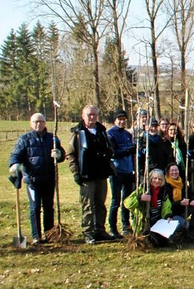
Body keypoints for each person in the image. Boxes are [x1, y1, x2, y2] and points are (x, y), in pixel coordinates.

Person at [8, 113, 66, 245]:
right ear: (31, 123)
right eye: (35, 122)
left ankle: (49, 234)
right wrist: (14, 164)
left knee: (48, 207)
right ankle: (36, 236)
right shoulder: (24, 139)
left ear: (45, 123)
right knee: (34, 208)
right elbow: (16, 154)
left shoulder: (52, 138)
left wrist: (59, 154)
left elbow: (62, 154)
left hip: (49, 179)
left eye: (40, 121)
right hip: (33, 181)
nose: (38, 124)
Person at [66, 105, 116, 244]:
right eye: (89, 115)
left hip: (101, 174)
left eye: (95, 114)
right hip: (86, 175)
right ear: (83, 116)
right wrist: (76, 172)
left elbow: (109, 147)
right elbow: (70, 154)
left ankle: (100, 230)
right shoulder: (78, 133)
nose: (92, 117)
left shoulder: (101, 131)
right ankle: (88, 232)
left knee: (100, 204)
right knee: (88, 205)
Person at [124, 169, 175, 247]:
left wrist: (167, 216)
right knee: (152, 241)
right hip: (144, 224)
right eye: (155, 178)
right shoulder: (142, 190)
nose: (157, 181)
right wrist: (139, 198)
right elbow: (127, 203)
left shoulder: (163, 192)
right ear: (150, 179)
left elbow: (166, 206)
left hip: (157, 223)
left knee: (163, 243)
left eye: (160, 179)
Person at [107, 109, 136, 238]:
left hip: (128, 171)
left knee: (127, 200)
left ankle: (126, 225)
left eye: (124, 119)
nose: (122, 121)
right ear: (115, 120)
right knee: (115, 200)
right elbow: (112, 153)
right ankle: (112, 227)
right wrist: (127, 151)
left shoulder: (128, 134)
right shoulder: (110, 134)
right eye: (120, 119)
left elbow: (133, 153)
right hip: (117, 171)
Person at [164, 162, 194, 231]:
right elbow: (166, 205)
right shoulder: (165, 185)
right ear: (168, 172)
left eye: (176, 170)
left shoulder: (181, 183)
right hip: (171, 214)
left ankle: (192, 227)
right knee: (185, 225)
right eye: (172, 170)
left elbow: (191, 194)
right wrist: (180, 203)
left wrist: (193, 200)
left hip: (182, 210)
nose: (174, 172)